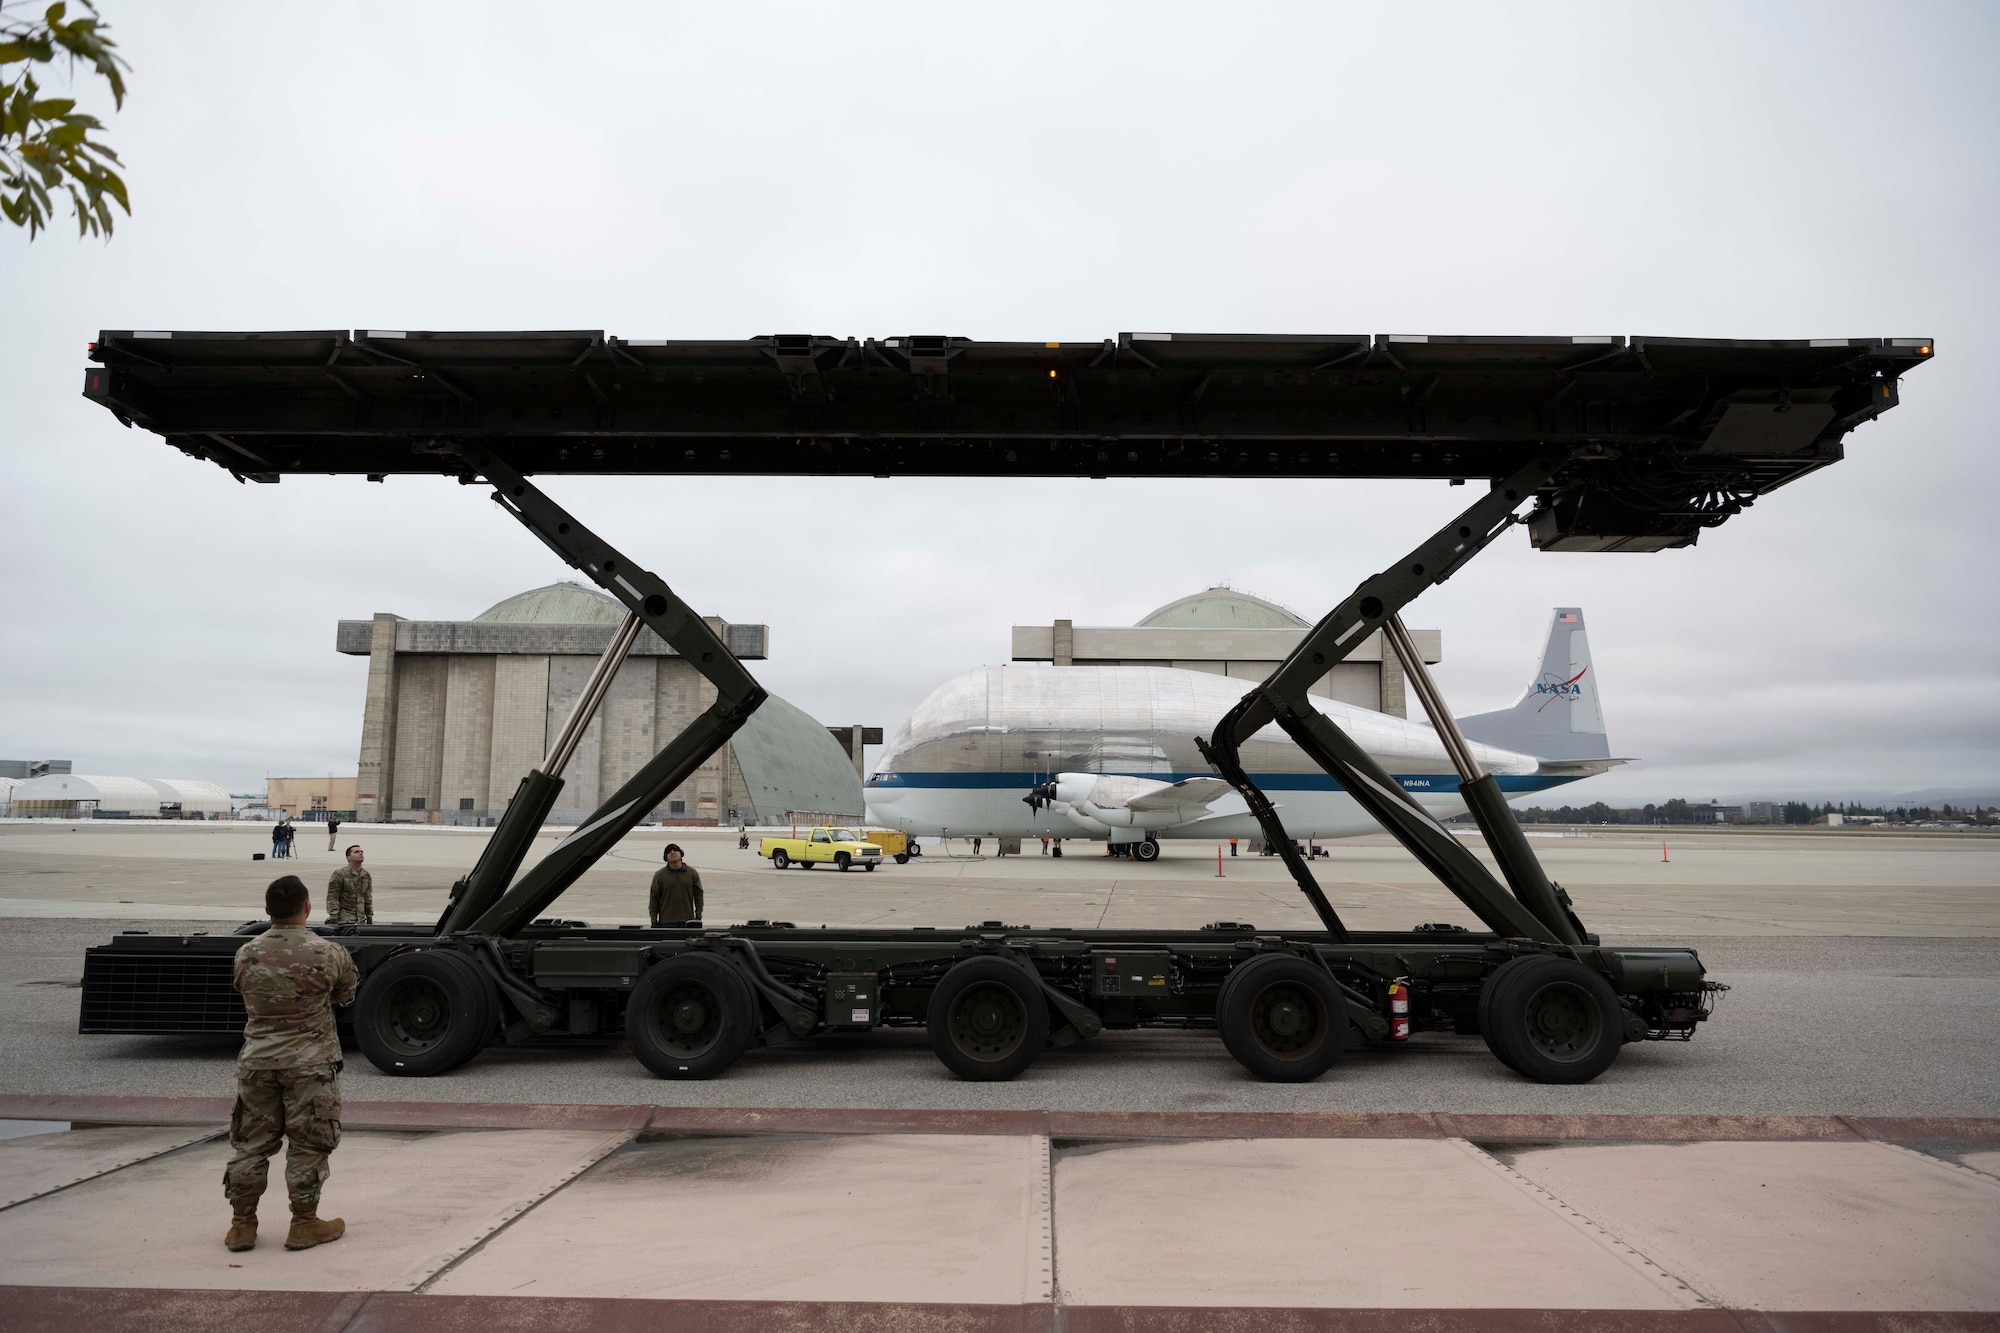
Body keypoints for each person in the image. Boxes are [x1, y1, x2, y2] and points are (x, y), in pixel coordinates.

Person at [223, 873, 356, 1253]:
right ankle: (303, 1223)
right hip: (310, 1066)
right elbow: (346, 993)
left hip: (258, 1063)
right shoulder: (328, 953)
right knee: (308, 1145)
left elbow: (243, 989)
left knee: (251, 1145)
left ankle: (242, 1225)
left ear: (267, 911)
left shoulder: (246, 952)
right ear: (307, 908)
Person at [649, 843, 704, 926]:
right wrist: (654, 920)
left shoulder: (692, 873)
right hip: (666, 923)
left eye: (675, 850)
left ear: (681, 854)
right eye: (669, 852)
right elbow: (654, 898)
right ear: (666, 857)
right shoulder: (659, 875)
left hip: (687, 921)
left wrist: (698, 916)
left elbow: (698, 896)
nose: (672, 853)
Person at [325, 846, 373, 925]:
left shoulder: (365, 875)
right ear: (348, 857)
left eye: (361, 852)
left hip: (360, 920)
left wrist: (369, 917)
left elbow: (368, 898)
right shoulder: (340, 874)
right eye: (356, 852)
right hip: (344, 920)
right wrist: (333, 917)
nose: (360, 853)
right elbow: (332, 897)